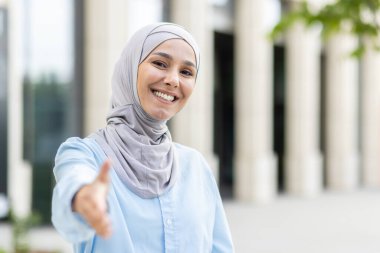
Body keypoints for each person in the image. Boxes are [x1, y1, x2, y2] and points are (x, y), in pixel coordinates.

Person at [51, 22, 234, 252]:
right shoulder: (85, 154)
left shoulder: (196, 166)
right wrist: (83, 197)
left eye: (186, 72)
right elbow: (73, 184)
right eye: (160, 63)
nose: (173, 80)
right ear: (130, 67)